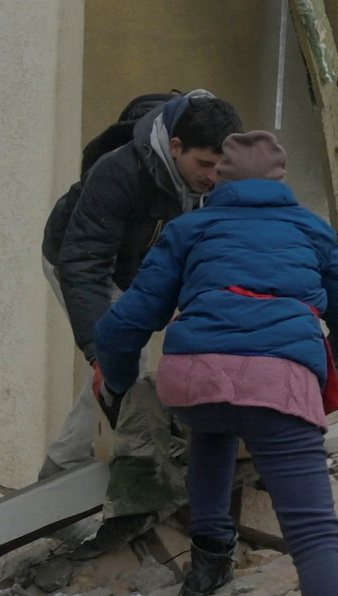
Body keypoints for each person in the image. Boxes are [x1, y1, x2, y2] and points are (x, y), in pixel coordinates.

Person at [88, 128, 338, 596]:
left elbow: (122, 325)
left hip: (192, 381)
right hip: (277, 383)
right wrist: (320, 366)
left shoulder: (189, 229)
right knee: (313, 534)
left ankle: (210, 557)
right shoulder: (310, 229)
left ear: (221, 181)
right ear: (279, 183)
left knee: (214, 426)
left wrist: (119, 387)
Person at [42, 89, 243, 521]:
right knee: (122, 369)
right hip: (80, 261)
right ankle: (57, 484)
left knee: (135, 369)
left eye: (220, 167)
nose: (213, 177)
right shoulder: (119, 173)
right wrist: (100, 351)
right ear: (175, 147)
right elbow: (84, 263)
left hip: (141, 270)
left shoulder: (224, 177)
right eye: (203, 165)